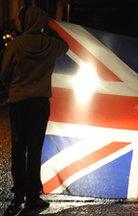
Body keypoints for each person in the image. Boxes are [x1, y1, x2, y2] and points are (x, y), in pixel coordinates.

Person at [0, 5, 68, 213]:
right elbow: (65, 46)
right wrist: (49, 29)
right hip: (39, 103)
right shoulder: (50, 45)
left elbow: (3, 74)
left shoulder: (16, 45)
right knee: (35, 149)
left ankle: (19, 191)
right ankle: (32, 195)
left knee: (18, 148)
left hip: (19, 102)